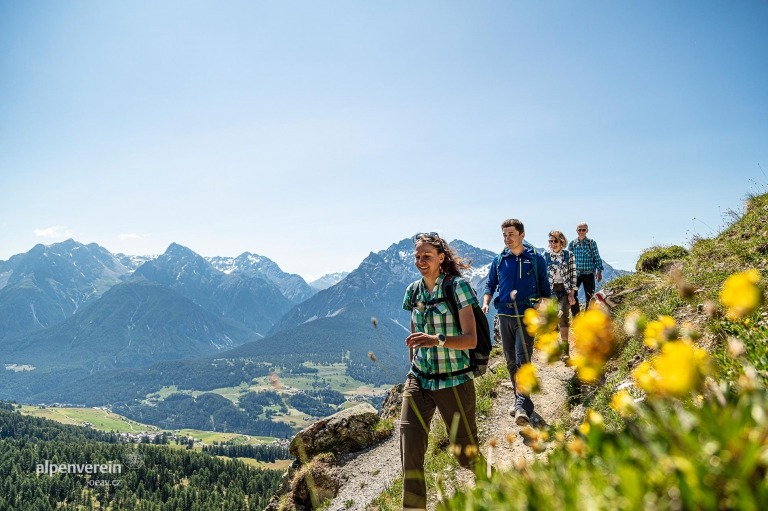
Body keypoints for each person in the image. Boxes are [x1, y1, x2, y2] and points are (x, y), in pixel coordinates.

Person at [400, 232, 480, 510]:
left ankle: (498, 490)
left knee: (466, 456)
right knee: (410, 450)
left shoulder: (457, 287)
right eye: (417, 257)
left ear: (441, 258)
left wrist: (437, 340)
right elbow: (414, 336)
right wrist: (411, 372)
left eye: (427, 256)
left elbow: (471, 340)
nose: (421, 261)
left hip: (454, 381)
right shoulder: (413, 291)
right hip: (419, 381)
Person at [481, 219, 551, 426]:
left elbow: (545, 289)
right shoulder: (499, 260)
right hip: (504, 315)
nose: (507, 238)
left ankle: (523, 405)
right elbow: (490, 284)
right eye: (504, 235)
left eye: (511, 234)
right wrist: (486, 302)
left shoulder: (536, 259)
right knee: (510, 360)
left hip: (526, 316)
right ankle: (519, 398)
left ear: (522, 234)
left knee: (523, 358)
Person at [545, 230, 577, 355]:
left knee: (563, 317)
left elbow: (573, 274)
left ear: (562, 242)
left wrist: (572, 293)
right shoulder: (546, 256)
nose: (553, 244)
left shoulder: (569, 255)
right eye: (551, 241)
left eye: (555, 241)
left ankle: (565, 350)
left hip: (564, 290)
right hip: (550, 291)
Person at [567, 222, 604, 316]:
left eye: (583, 230)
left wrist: (599, 271)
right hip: (576, 274)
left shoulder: (591, 243)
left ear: (587, 231)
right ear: (576, 231)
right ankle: (576, 318)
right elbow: (568, 259)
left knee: (590, 297)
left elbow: (597, 257)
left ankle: (587, 318)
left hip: (588, 273)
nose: (581, 232)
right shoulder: (572, 244)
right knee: (572, 295)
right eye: (579, 230)